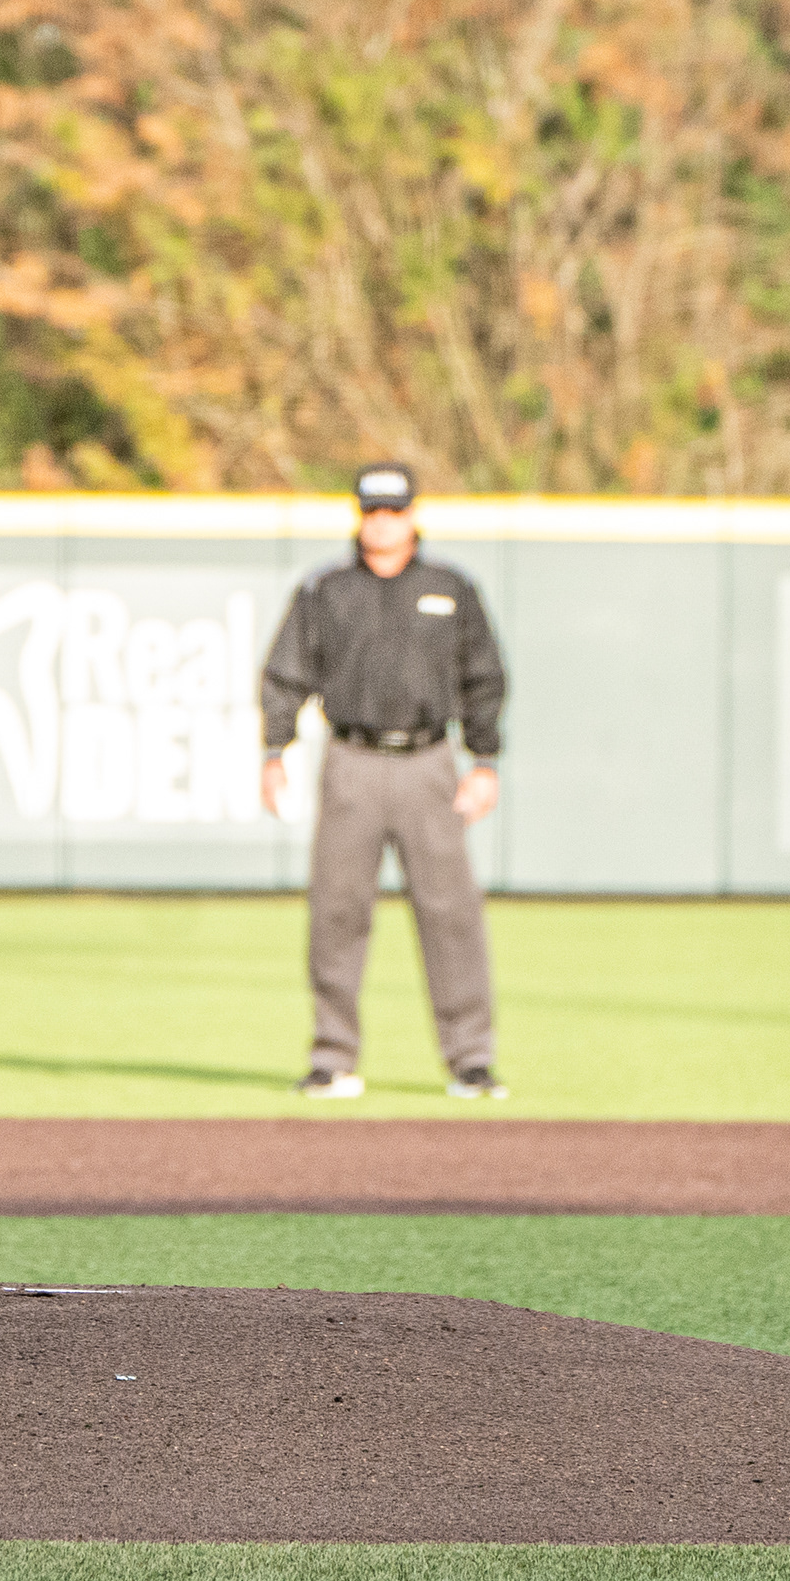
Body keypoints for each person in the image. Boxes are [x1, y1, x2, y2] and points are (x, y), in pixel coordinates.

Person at [255, 462, 510, 1101]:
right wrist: (275, 748)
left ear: (413, 514)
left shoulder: (451, 589)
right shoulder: (326, 591)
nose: (382, 522)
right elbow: (285, 674)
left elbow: (484, 679)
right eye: (372, 510)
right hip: (353, 763)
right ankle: (333, 1056)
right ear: (358, 515)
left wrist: (483, 761)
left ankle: (470, 1060)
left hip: (429, 764)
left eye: (393, 510)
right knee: (337, 912)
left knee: (450, 914)